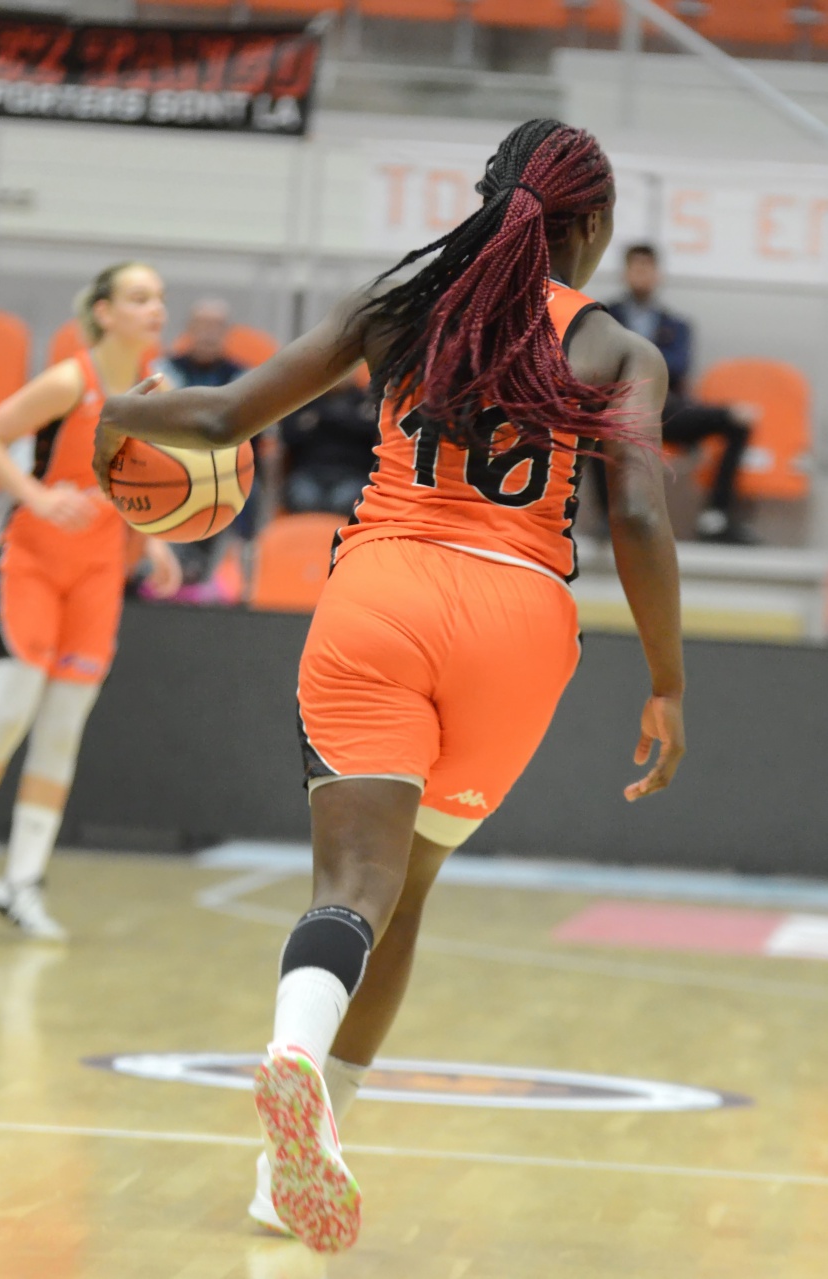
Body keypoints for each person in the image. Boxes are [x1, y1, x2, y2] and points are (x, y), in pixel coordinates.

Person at [93, 120, 686, 1254]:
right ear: (597, 226)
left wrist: (117, 413)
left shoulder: (403, 303)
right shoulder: (619, 349)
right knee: (408, 892)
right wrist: (667, 682)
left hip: (383, 595)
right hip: (520, 621)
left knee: (350, 882)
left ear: (487, 197)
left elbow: (221, 417)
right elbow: (643, 521)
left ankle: (292, 1053)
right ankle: (287, 1170)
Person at [0, 262, 181, 941]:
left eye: (159, 298)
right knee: (8, 713)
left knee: (62, 728)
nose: (155, 308)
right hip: (30, 561)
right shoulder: (70, 380)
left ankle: (20, 882)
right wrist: (35, 496)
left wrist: (156, 540)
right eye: (139, 298)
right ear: (104, 312)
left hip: (99, 571)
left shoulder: (156, 392)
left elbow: (141, 483)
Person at [595, 243, 757, 544]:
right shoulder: (601, 316)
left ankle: (716, 518)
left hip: (665, 408)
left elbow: (678, 366)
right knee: (595, 420)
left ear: (658, 273)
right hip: (618, 408)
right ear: (625, 272)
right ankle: (609, 516)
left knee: (739, 419)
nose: (641, 274)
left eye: (647, 267)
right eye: (635, 267)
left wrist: (630, 357)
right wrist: (648, 359)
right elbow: (600, 362)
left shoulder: (677, 325)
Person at [158, 299, 272, 594]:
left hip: (227, 468)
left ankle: (237, 579)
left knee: (249, 489)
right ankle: (163, 574)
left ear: (226, 333)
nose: (208, 333)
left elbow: (250, 433)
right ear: (188, 329)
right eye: (202, 325)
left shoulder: (244, 376)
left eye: (216, 327)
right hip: (174, 467)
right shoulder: (162, 372)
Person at [281, 374, 379, 516]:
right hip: (309, 473)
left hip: (352, 474)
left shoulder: (364, 401)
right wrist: (343, 419)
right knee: (304, 499)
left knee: (344, 502)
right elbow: (288, 435)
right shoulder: (305, 402)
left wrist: (321, 419)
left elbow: (372, 431)